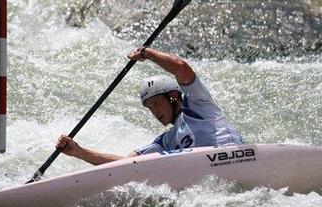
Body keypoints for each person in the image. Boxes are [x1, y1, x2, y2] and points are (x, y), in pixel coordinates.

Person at [56, 47, 243, 165]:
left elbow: (180, 67)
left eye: (155, 103)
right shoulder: (166, 141)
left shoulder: (198, 104)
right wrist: (79, 152)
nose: (154, 112)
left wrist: (147, 54)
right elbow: (125, 164)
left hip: (236, 156)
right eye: (149, 108)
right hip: (210, 173)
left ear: (173, 96)